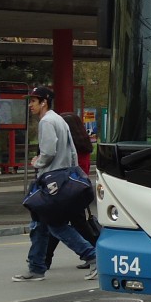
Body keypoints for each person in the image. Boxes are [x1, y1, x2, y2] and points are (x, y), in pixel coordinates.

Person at [12, 86, 97, 282]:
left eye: (33, 101)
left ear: (44, 102)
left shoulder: (47, 122)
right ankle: (36, 268)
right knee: (40, 224)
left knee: (55, 225)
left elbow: (48, 152)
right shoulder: (59, 119)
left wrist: (38, 162)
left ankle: (92, 256)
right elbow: (72, 151)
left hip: (50, 180)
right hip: (61, 178)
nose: (30, 105)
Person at [42, 112, 99, 270]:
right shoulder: (84, 146)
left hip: (69, 190)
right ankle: (45, 259)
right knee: (61, 224)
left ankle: (95, 255)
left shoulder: (70, 149)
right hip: (79, 189)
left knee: (61, 224)